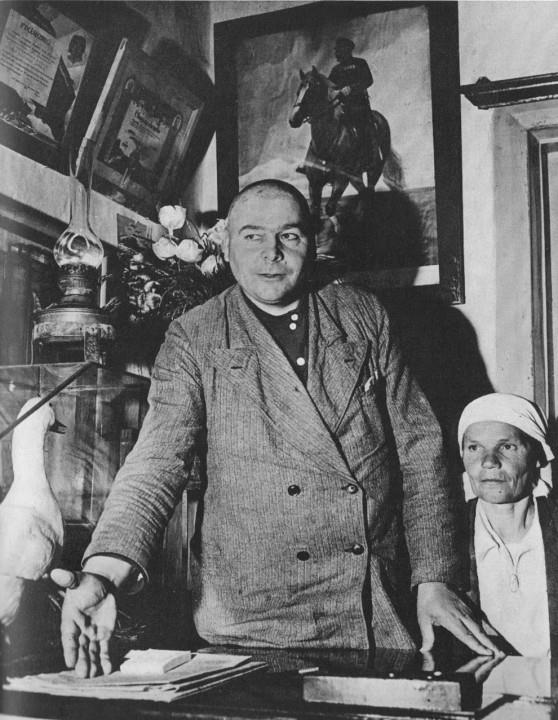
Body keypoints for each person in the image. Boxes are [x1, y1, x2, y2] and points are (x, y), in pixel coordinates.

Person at [52, 179, 500, 677]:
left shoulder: (363, 315)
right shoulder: (196, 335)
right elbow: (157, 463)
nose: (272, 253)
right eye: (252, 236)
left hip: (373, 613)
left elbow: (420, 450)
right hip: (252, 625)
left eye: (289, 235)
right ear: (225, 246)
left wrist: (435, 578)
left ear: (312, 243)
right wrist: (103, 573)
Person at [458, 393, 557, 656]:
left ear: (537, 455)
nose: (489, 461)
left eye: (507, 446)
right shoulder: (447, 539)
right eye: (474, 448)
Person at [328, 37, 373, 158]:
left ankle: (366, 156)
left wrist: (351, 88)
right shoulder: (336, 70)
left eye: (340, 50)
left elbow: (368, 80)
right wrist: (334, 91)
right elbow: (330, 86)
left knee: (361, 129)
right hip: (341, 106)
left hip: (358, 104)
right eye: (337, 50)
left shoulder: (360, 64)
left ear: (348, 50)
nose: (337, 53)